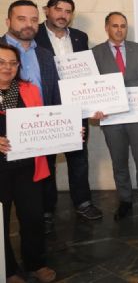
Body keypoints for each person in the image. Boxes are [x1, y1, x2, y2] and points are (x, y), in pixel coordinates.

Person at [34, 0, 103, 225]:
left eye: (67, 11)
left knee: (79, 157)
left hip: (76, 107)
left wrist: (95, 104)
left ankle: (83, 202)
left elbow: (87, 74)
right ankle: (46, 209)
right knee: (47, 159)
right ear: (47, 10)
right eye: (58, 9)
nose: (63, 15)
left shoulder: (80, 37)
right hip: (46, 107)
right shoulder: (35, 35)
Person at [1, 0, 61, 235]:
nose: (29, 24)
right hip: (4, 144)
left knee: (33, 207)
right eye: (21, 18)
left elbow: (55, 95)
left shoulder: (45, 54)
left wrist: (66, 126)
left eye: (34, 19)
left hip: (38, 139)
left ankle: (38, 243)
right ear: (8, 21)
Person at [92, 12, 138, 220]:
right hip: (112, 118)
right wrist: (94, 109)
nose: (119, 30)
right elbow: (92, 85)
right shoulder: (95, 53)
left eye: (123, 26)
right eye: (115, 26)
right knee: (119, 161)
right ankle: (125, 200)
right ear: (106, 27)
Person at [0, 43, 56, 283]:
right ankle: (7, 270)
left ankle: (36, 263)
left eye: (13, 63)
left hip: (28, 167)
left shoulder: (29, 89)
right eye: (1, 62)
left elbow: (44, 122)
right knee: (0, 222)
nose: (7, 67)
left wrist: (70, 132)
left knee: (33, 217)